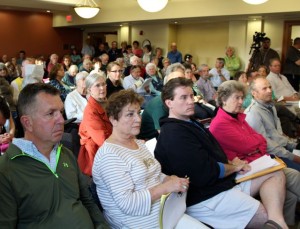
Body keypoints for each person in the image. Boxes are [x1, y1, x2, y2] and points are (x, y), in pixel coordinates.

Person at [155, 77, 288, 229]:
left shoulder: (189, 122)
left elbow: (213, 157)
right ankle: (275, 223)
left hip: (221, 182)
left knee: (275, 172)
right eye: (183, 98)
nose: (190, 101)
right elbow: (205, 172)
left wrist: (231, 164)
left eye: (191, 96)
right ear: (169, 103)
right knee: (262, 216)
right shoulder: (174, 134)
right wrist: (234, 167)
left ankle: (277, 222)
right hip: (205, 196)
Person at [92, 89, 207, 229]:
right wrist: (166, 187)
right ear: (113, 120)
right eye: (130, 114)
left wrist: (169, 179)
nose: (138, 119)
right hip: (139, 223)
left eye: (138, 112)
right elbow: (128, 204)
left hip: (166, 213)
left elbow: (154, 173)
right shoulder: (109, 156)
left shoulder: (138, 143)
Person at [0, 83, 109, 228]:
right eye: (51, 113)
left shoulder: (65, 154)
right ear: (28, 123)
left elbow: (87, 201)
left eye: (60, 112)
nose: (60, 120)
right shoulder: (7, 169)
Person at [209, 80, 300, 227]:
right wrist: (255, 144)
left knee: (291, 194)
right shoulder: (220, 124)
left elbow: (261, 142)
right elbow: (248, 145)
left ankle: (287, 225)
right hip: (245, 169)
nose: (241, 102)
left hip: (260, 161)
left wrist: (256, 145)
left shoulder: (238, 117)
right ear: (224, 99)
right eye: (236, 98)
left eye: (241, 97)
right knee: (292, 178)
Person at [245, 77, 300, 171]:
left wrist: (294, 145)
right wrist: (293, 157)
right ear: (254, 93)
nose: (270, 90)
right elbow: (266, 145)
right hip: (271, 155)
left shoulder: (270, 106)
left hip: (282, 149)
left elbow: (278, 135)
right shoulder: (253, 113)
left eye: (270, 87)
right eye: (264, 88)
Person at [78, 72, 112, 177]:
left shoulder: (107, 103)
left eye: (103, 84)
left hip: (112, 146)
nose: (102, 88)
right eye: (97, 85)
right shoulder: (90, 111)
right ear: (89, 90)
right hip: (99, 155)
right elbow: (102, 140)